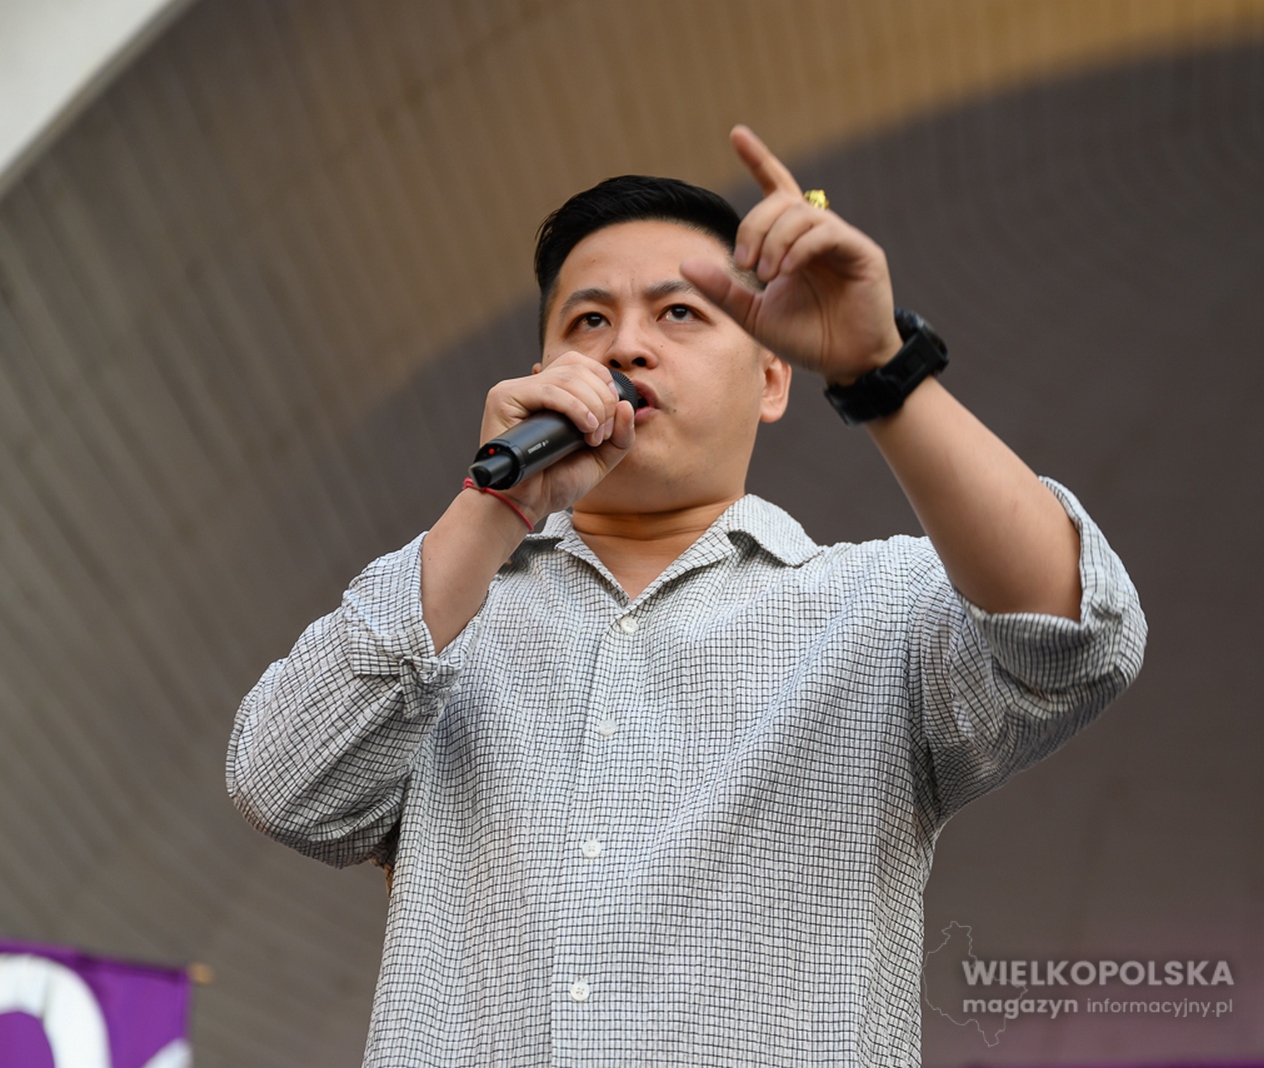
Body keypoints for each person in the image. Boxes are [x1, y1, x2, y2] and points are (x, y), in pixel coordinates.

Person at [226, 125, 1146, 1065]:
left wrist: (880, 372)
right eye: (588, 322)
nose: (626, 345)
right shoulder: (445, 613)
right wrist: (493, 507)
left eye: (679, 313)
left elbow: (1078, 635)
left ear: (773, 377)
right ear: (540, 378)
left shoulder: (877, 607)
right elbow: (282, 785)